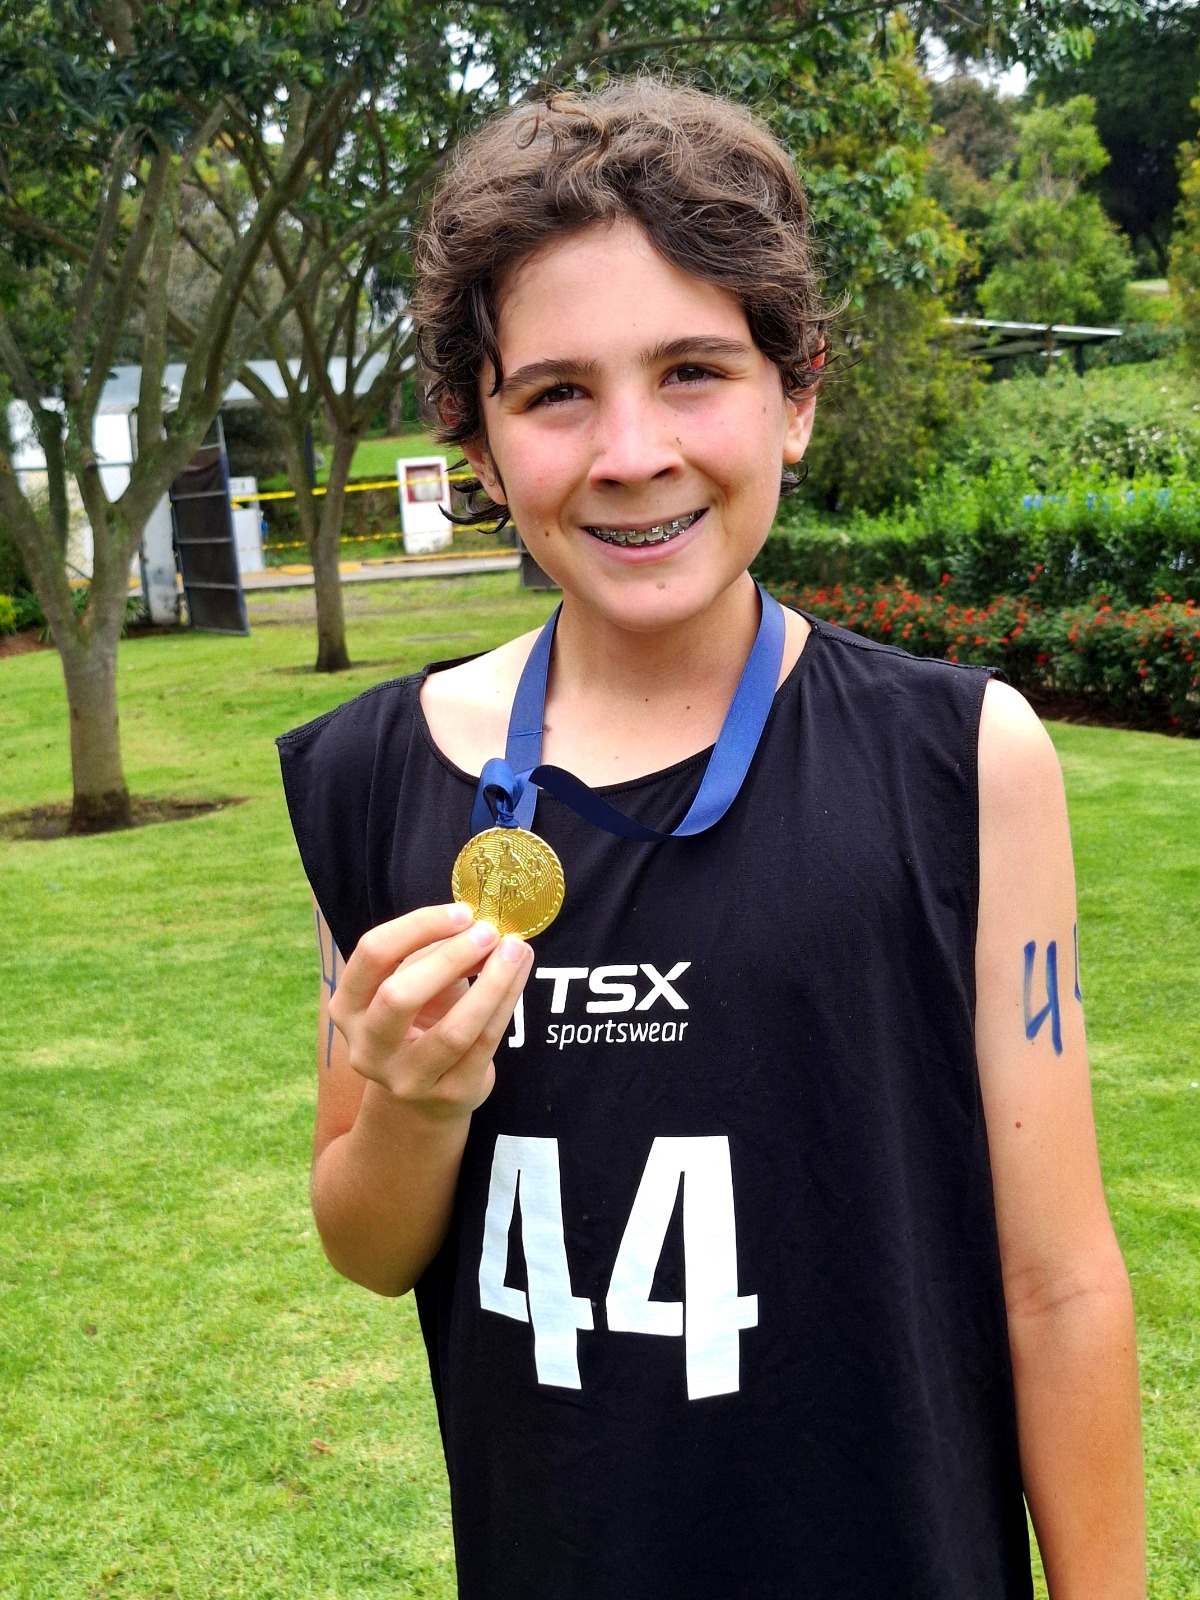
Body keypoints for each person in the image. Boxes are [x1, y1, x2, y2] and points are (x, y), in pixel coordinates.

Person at [277, 78, 1144, 1600]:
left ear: (793, 396)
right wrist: (411, 1105)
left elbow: (1059, 1283)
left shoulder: (963, 761)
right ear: (477, 439)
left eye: (692, 371)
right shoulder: (373, 780)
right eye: (556, 393)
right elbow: (368, 1242)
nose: (631, 450)